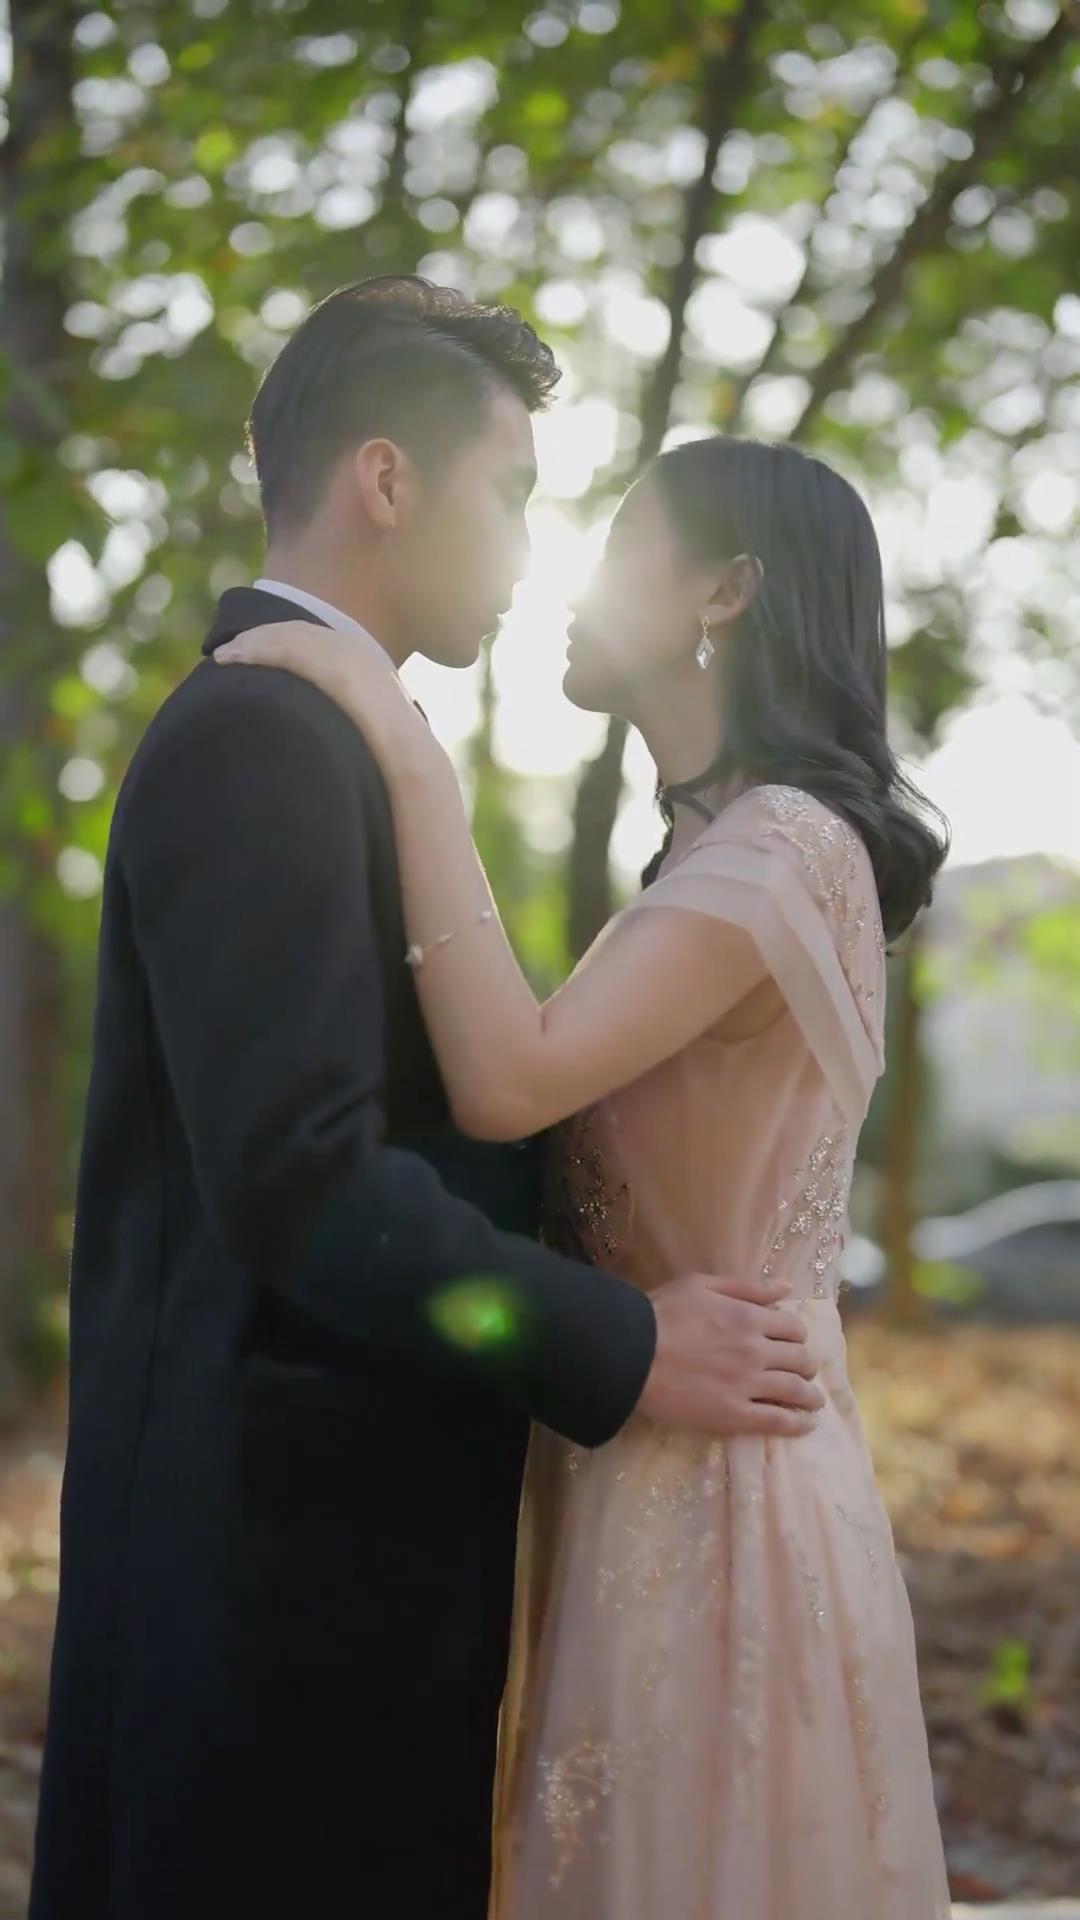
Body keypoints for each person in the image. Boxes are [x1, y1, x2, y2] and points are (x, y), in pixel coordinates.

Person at [30, 282, 823, 1920]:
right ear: (387, 479)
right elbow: (303, 1182)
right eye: (514, 492)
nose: (530, 545)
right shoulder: (263, 736)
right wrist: (624, 1341)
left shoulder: (331, 734)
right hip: (268, 1590)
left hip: (329, 1566)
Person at [218, 430, 954, 1918]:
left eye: (620, 547)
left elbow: (511, 1080)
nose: (571, 582)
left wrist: (401, 744)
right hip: (637, 1456)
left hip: (720, 1498)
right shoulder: (713, 855)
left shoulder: (786, 848)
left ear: (726, 591)